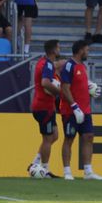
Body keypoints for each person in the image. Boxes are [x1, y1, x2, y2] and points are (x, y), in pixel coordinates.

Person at [59, 38, 102, 180]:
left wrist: (91, 88)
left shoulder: (82, 66)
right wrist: (74, 106)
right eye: (87, 50)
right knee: (69, 138)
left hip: (85, 109)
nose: (88, 52)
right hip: (71, 110)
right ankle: (67, 171)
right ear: (80, 51)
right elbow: (64, 88)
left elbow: (81, 84)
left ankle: (88, 171)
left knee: (88, 137)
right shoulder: (68, 66)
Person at [27, 39, 62, 178]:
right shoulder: (46, 65)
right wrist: (60, 93)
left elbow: (54, 67)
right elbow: (45, 83)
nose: (59, 50)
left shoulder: (45, 62)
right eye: (58, 48)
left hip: (46, 106)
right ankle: (45, 169)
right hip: (43, 107)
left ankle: (35, 163)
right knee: (48, 138)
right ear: (53, 50)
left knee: (54, 136)